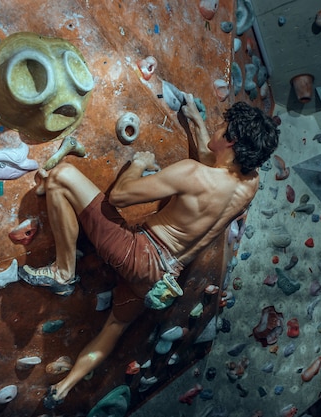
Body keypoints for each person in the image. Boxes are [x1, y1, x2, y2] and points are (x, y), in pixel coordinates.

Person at [18, 93, 279, 409]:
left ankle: (63, 271)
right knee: (114, 326)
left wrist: (139, 164)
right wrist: (196, 121)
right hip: (164, 281)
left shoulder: (191, 173)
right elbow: (214, 170)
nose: (218, 125)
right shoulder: (250, 184)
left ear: (232, 140)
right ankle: (63, 387)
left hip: (138, 254)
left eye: (222, 125)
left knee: (61, 176)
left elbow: (120, 197)